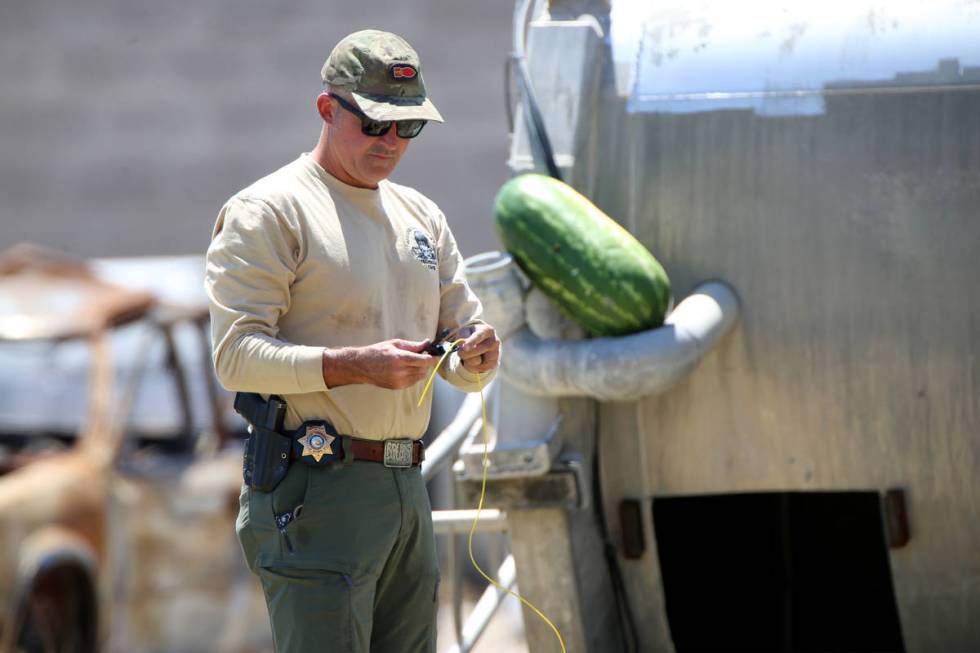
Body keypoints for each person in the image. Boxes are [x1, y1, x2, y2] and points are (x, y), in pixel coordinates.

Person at [204, 29, 500, 653]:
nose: (390, 142)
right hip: (317, 488)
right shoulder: (271, 210)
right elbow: (235, 356)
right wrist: (350, 366)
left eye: (408, 127)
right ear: (326, 109)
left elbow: (462, 353)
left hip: (404, 488)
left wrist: (476, 356)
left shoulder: (422, 215)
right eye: (373, 124)